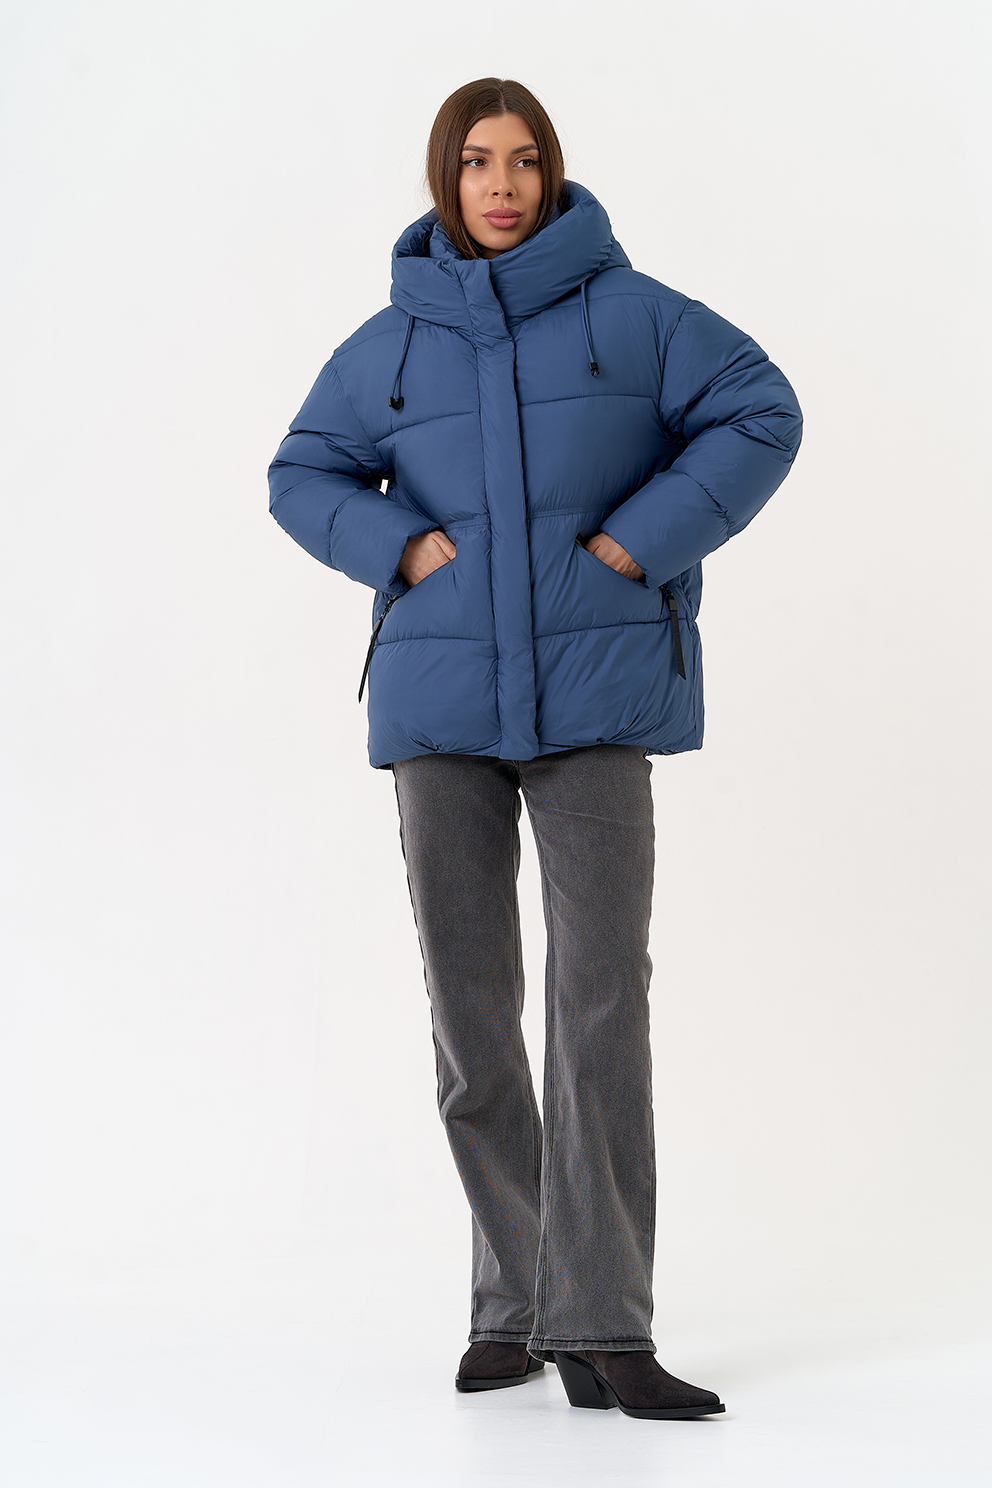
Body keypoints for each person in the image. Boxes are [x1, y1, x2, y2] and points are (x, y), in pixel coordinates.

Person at [268, 77, 803, 1421]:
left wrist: (635, 544)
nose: (500, 185)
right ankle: (514, 1304)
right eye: (475, 162)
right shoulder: (389, 343)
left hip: (598, 700)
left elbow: (762, 410)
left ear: (553, 173)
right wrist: (403, 547)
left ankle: (606, 1325)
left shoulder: (636, 316)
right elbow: (299, 473)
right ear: (443, 178)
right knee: (472, 1016)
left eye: (522, 161)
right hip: (441, 709)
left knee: (600, 1003)